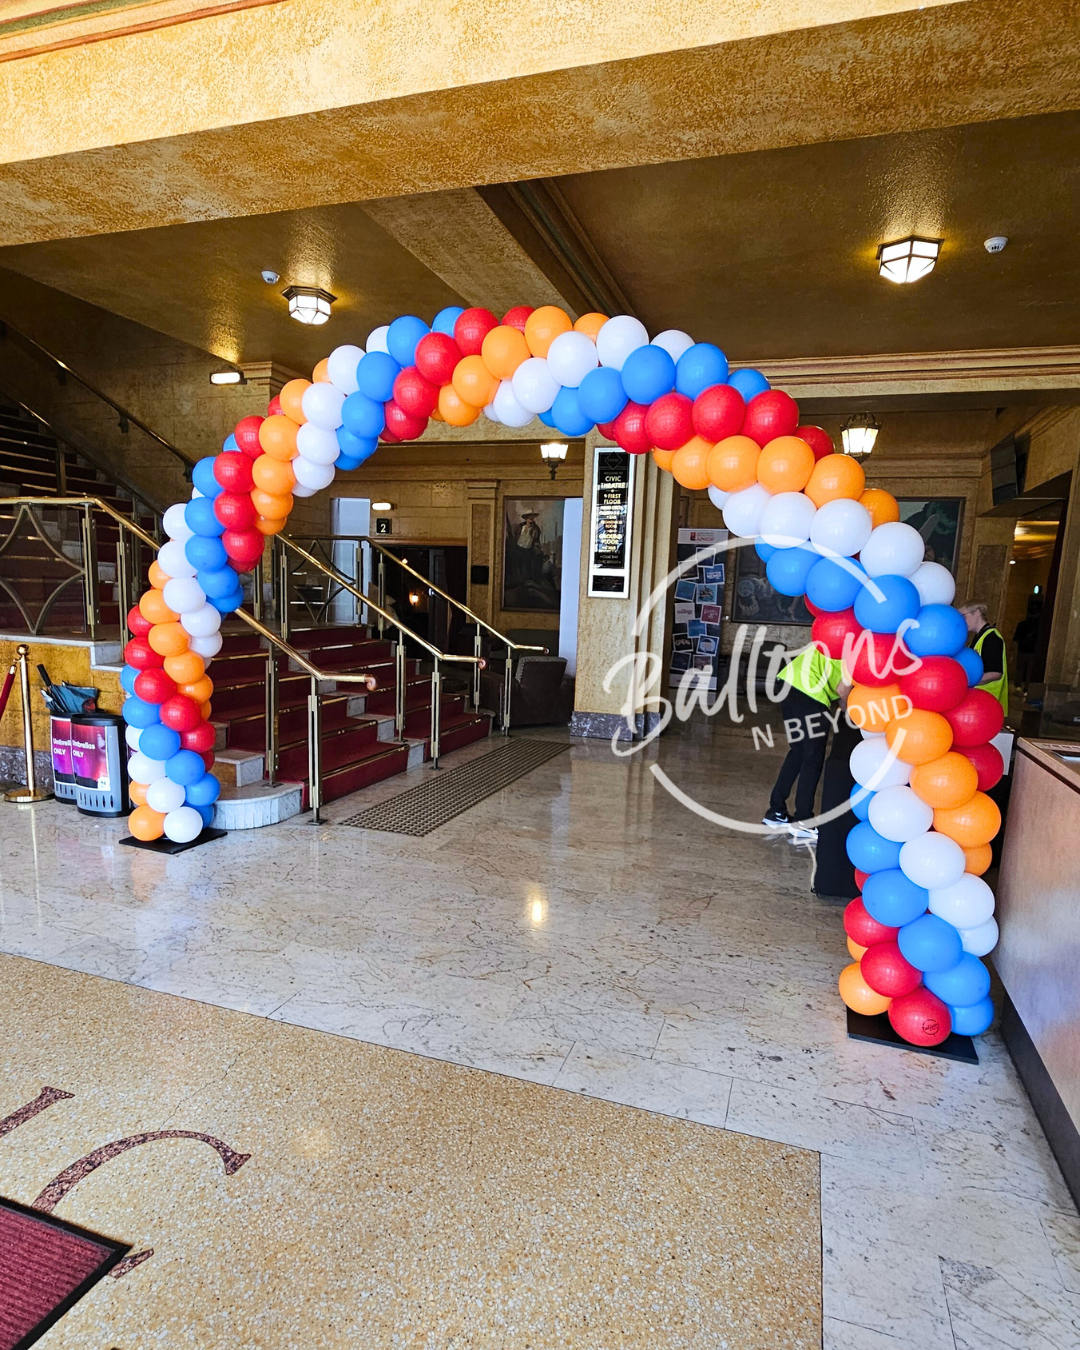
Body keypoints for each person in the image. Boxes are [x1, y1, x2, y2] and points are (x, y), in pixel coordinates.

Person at [763, 645, 844, 840]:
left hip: (787, 684)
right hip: (810, 694)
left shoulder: (839, 636)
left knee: (798, 751)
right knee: (812, 758)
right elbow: (843, 690)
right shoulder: (858, 652)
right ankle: (803, 821)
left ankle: (776, 811)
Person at [958, 601, 1008, 716]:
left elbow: (996, 673)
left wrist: (965, 682)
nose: (961, 620)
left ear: (977, 613)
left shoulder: (992, 638)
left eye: (963, 616)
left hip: (988, 702)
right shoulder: (979, 637)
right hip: (980, 701)